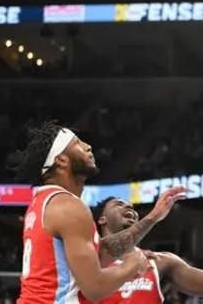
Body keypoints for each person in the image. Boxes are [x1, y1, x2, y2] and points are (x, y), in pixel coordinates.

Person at [13, 120, 188, 303]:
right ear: (61, 160)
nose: (88, 146)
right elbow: (94, 288)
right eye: (77, 143)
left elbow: (99, 253)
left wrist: (152, 217)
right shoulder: (68, 206)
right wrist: (132, 264)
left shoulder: (44, 202)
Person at [86, 197, 203, 303]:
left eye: (131, 206)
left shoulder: (159, 262)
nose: (128, 206)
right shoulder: (85, 259)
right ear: (102, 219)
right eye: (118, 204)